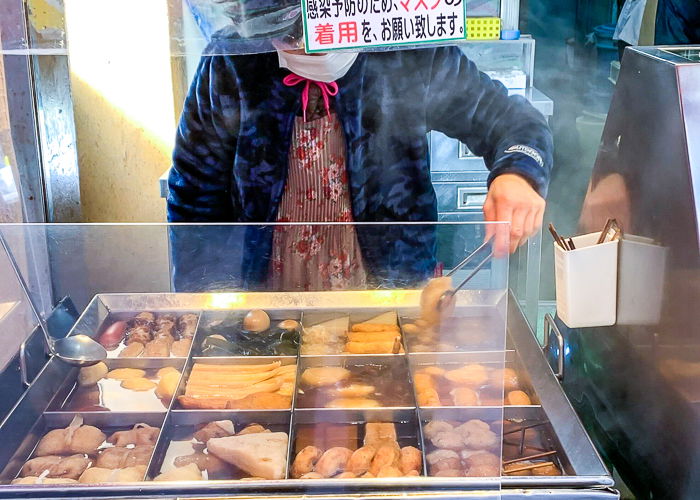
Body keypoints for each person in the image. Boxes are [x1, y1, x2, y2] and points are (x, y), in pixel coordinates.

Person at [168, 2, 553, 292]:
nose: (306, 48)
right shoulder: (233, 61)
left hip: (385, 294)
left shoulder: (408, 52)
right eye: (286, 33)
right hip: (268, 298)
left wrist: (518, 172)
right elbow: (194, 190)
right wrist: (205, 301)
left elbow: (511, 120)